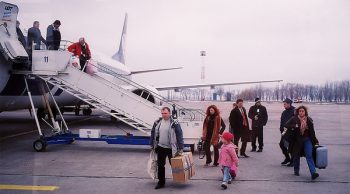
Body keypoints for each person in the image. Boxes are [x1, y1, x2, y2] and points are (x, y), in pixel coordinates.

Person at [150, 107, 184, 189]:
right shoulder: (158, 122)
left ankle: (179, 178)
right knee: (160, 165)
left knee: (174, 165)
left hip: (171, 148)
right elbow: (153, 132)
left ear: (169, 113)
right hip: (160, 147)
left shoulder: (174, 122)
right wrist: (152, 144)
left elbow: (179, 134)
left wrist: (181, 147)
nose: (163, 115)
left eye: (165, 113)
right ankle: (161, 182)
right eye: (162, 113)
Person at [285, 105, 319, 180]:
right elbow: (286, 125)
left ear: (305, 112)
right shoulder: (294, 118)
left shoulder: (309, 120)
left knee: (309, 155)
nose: (301, 112)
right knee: (296, 156)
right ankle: (296, 170)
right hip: (297, 140)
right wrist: (295, 125)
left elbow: (312, 132)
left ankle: (313, 173)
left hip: (307, 140)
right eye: (300, 111)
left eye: (302, 111)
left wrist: (315, 141)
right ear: (298, 112)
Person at [279, 98, 295, 166]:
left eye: (285, 104)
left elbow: (296, 122)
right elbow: (282, 121)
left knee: (291, 146)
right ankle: (287, 158)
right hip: (284, 132)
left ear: (289, 104)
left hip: (291, 133)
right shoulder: (284, 112)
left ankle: (293, 161)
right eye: (283, 104)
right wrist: (281, 128)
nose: (284, 105)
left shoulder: (295, 111)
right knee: (282, 145)